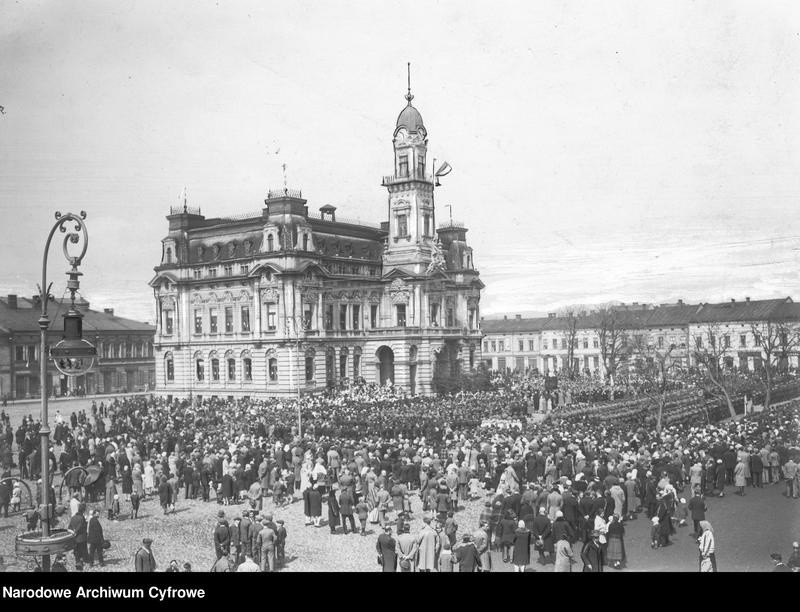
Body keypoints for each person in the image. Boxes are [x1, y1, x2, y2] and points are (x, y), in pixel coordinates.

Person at [68, 505, 88, 571]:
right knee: (82, 550)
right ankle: (82, 562)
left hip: (74, 538)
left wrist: (73, 532)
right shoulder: (82, 518)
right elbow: (83, 527)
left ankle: (77, 561)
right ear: (83, 511)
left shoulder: (73, 517)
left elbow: (69, 528)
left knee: (76, 550)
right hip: (82, 537)